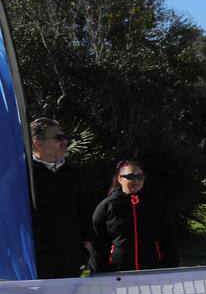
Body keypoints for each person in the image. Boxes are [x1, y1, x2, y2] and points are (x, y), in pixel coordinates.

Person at [28, 117, 95, 278]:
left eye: (64, 137)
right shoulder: (23, 173)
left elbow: (84, 208)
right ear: (38, 143)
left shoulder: (72, 172)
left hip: (72, 259)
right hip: (38, 260)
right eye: (58, 138)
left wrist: (88, 242)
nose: (64, 141)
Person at [91, 160, 179, 272]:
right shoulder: (107, 206)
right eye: (130, 176)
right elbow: (97, 242)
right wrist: (98, 272)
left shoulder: (155, 204)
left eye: (140, 176)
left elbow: (168, 237)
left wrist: (172, 267)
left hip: (152, 268)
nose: (136, 180)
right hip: (118, 272)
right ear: (120, 179)